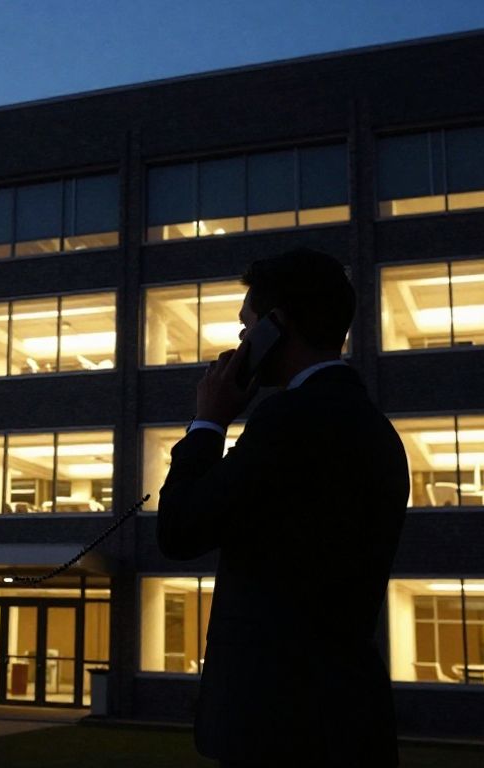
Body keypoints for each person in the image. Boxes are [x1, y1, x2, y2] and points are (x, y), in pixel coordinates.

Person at [157, 248, 409, 767]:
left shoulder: (288, 422)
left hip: (279, 729)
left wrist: (208, 422)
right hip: (347, 723)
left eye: (247, 327)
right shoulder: (378, 431)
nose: (243, 343)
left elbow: (178, 530)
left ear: (275, 324)